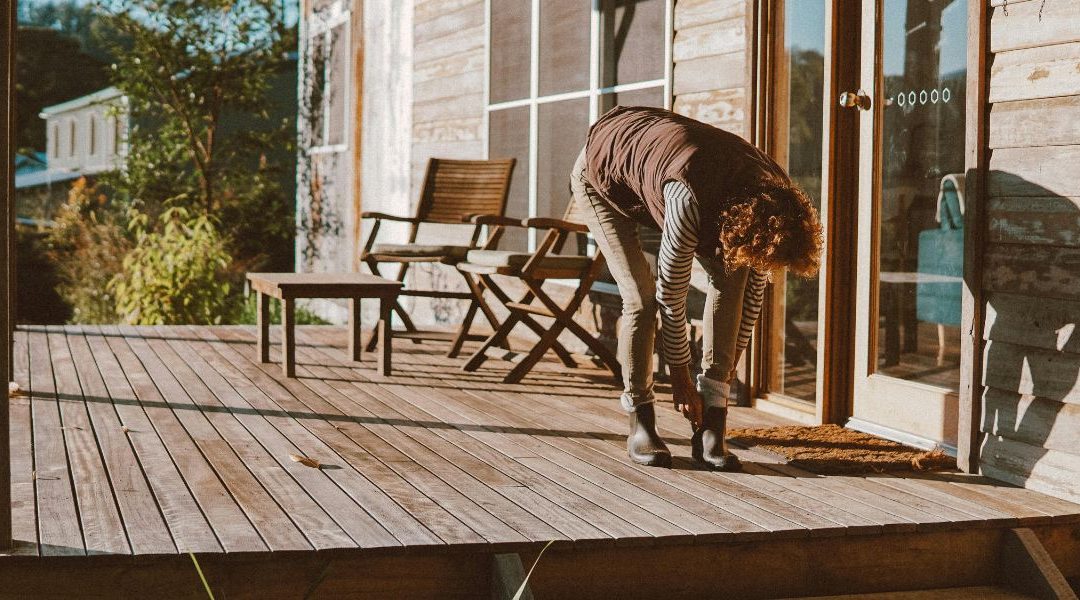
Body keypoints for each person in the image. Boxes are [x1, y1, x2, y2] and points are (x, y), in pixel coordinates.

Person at [571, 105, 822, 471]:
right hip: (603, 173)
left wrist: (722, 377)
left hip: (678, 177)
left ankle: (712, 429)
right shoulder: (688, 199)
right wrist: (681, 380)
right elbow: (671, 298)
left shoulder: (776, 196)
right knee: (641, 299)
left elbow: (752, 296)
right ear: (747, 230)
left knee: (732, 281)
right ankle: (640, 418)